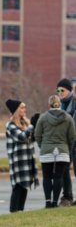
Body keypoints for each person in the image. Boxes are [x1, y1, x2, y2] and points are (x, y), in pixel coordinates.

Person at [34, 95, 76, 208]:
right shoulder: (68, 118)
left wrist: (42, 145)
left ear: (49, 105)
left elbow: (37, 134)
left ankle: (48, 201)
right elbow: (72, 136)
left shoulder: (43, 117)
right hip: (62, 151)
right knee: (58, 177)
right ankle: (54, 202)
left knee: (47, 177)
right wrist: (66, 146)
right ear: (60, 104)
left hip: (46, 151)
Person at [5, 99, 39, 213]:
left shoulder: (25, 123)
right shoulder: (10, 125)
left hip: (28, 159)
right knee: (18, 187)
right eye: (22, 107)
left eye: (25, 107)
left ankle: (20, 211)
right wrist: (32, 126)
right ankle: (13, 211)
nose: (25, 109)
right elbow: (21, 137)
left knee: (25, 187)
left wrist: (36, 127)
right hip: (18, 161)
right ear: (16, 110)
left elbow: (31, 139)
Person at [56, 78, 75, 206]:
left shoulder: (73, 102)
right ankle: (67, 196)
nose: (60, 92)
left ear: (70, 90)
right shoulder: (60, 104)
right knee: (64, 168)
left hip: (72, 141)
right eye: (58, 90)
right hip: (64, 142)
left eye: (62, 90)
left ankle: (67, 197)